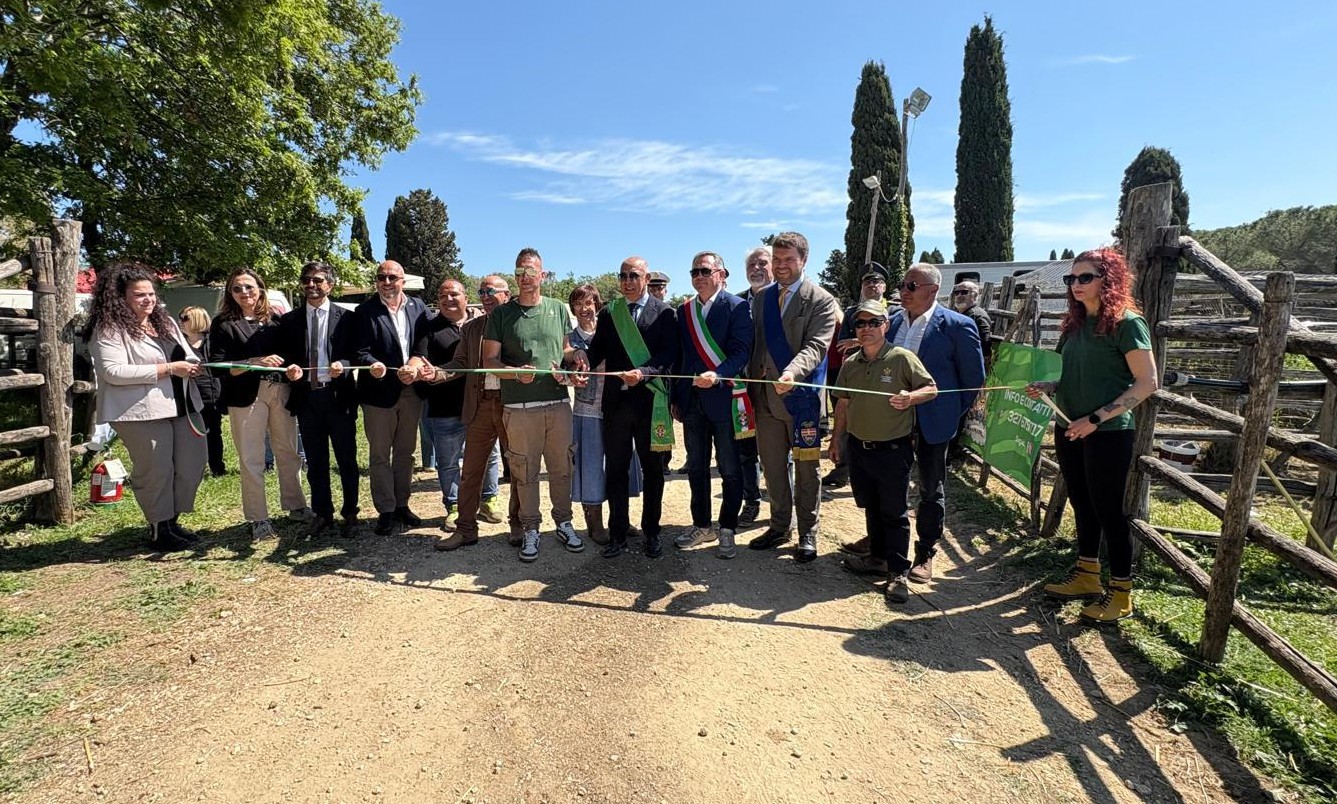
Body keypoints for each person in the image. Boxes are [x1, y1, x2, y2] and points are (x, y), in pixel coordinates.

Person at [1026, 248, 1157, 624]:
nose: (1076, 285)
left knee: (1109, 511)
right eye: (1072, 279)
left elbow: (1147, 382)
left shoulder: (1128, 323)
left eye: (1086, 277)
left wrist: (1097, 418)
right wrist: (1048, 386)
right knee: (1081, 502)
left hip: (1107, 432)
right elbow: (1073, 374)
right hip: (1070, 425)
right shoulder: (1076, 324)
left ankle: (1121, 593)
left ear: (1109, 279)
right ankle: (1086, 575)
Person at [841, 263, 986, 584]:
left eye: (910, 286)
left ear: (932, 291)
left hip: (932, 422)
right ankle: (880, 546)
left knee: (930, 488)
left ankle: (926, 551)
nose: (903, 291)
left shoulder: (957, 326)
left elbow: (973, 379)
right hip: (890, 422)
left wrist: (949, 413)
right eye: (903, 285)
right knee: (884, 484)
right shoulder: (890, 322)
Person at [482, 248, 589, 562]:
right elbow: (490, 360)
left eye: (530, 272)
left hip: (557, 404)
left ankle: (564, 523)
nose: (524, 278)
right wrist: (515, 373)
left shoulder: (557, 308)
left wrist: (577, 356)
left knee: (561, 468)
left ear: (542, 275)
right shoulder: (502, 314)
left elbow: (567, 349)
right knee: (524, 472)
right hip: (519, 408)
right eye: (519, 272)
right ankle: (530, 528)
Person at [89, 264, 206, 550]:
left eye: (151, 293)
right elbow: (113, 372)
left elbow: (187, 354)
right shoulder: (109, 328)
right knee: (156, 470)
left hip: (184, 405)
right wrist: (167, 369)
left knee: (191, 465)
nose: (148, 300)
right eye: (139, 295)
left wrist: (194, 365)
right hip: (140, 412)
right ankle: (160, 527)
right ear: (120, 297)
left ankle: (173, 520)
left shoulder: (164, 322)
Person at [832, 301, 938, 604]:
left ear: (885, 325)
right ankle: (877, 558)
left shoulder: (902, 358)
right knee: (871, 507)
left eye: (873, 322)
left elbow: (931, 388)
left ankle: (897, 572)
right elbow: (843, 403)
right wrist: (836, 440)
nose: (866, 328)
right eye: (860, 323)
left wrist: (911, 397)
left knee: (894, 512)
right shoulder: (851, 363)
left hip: (893, 449)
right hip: (859, 448)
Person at [745, 232, 838, 563]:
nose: (781, 266)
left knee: (807, 470)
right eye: (777, 260)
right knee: (772, 467)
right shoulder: (762, 298)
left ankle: (807, 532)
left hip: (802, 401)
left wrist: (792, 372)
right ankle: (779, 525)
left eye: (788, 260)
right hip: (765, 400)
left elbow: (817, 346)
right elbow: (754, 345)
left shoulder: (822, 300)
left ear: (804, 260)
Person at [582, 256, 680, 559]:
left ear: (646, 277)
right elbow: (596, 351)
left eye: (633, 275)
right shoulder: (611, 313)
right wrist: (576, 360)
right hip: (616, 405)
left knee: (652, 471)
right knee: (616, 471)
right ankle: (618, 534)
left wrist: (645, 372)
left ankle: (652, 532)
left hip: (651, 403)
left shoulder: (665, 313)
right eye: (622, 275)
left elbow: (669, 354)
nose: (627, 281)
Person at [209, 268, 309, 540]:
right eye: (237, 288)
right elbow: (218, 366)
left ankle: (296, 505)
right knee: (251, 458)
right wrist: (253, 363)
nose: (244, 293)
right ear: (230, 293)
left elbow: (290, 357)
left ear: (260, 289)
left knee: (288, 452)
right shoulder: (223, 323)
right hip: (245, 397)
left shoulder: (276, 320)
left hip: (280, 391)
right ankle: (258, 519)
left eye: (249, 287)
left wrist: (292, 369)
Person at [671, 251, 753, 559]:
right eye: (694, 272)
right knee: (696, 466)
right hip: (692, 401)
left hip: (724, 399)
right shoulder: (684, 311)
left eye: (705, 270)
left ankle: (727, 528)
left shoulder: (737, 307)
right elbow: (680, 357)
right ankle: (702, 524)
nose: (698, 277)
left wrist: (717, 375)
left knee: (730, 468)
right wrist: (676, 398)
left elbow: (742, 351)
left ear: (720, 273)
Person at [435, 275, 518, 551]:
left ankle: (518, 525)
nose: (485, 295)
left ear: (506, 294)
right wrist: (436, 374)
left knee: (517, 468)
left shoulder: (518, 324)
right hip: (480, 405)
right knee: (470, 471)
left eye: (491, 290)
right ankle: (466, 529)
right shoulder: (471, 328)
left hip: (511, 405)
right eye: (481, 291)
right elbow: (459, 362)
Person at [277, 261, 360, 537]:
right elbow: (285, 357)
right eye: (307, 280)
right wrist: (289, 368)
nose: (311, 285)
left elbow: (357, 354)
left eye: (318, 280)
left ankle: (350, 513)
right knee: (315, 460)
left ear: (330, 285)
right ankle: (323, 513)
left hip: (339, 397)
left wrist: (343, 363)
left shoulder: (347, 318)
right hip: (307, 398)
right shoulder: (289, 320)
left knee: (346, 459)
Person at [354, 260, 432, 536]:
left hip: (411, 392)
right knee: (379, 455)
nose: (387, 282)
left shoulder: (418, 306)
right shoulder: (365, 311)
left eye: (392, 277)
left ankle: (402, 505)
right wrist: (374, 365)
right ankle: (385, 510)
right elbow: (360, 351)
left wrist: (413, 363)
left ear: (403, 280)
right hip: (378, 393)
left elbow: (423, 342)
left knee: (405, 453)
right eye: (381, 277)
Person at [568, 284, 646, 547]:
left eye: (589, 302)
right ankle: (595, 523)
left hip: (617, 405)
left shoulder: (613, 325)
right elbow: (566, 360)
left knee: (619, 464)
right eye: (578, 303)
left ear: (597, 304)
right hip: (588, 410)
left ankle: (620, 519)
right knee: (591, 466)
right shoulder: (571, 338)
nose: (584, 308)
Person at [406, 279, 469, 533]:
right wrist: (415, 369)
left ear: (465, 297)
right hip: (443, 406)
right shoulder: (429, 327)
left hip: (478, 404)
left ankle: (488, 499)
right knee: (448, 461)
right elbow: (418, 357)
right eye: (443, 295)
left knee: (489, 457)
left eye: (453, 294)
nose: (448, 299)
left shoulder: (478, 324)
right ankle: (453, 506)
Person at [823, 262, 891, 490]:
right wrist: (864, 341)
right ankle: (843, 469)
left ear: (885, 286)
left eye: (877, 281)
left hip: (885, 378)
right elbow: (843, 345)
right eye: (867, 281)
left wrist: (858, 340)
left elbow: (896, 344)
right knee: (844, 421)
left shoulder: (896, 311)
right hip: (853, 376)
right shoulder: (851, 313)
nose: (872, 285)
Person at [735, 245, 772, 528]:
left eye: (763, 263)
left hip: (776, 390)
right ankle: (752, 502)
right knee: (746, 450)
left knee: (779, 453)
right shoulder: (735, 303)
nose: (756, 269)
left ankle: (784, 508)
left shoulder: (785, 300)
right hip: (741, 391)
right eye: (751, 264)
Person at [177, 306, 225, 478]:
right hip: (187, 394)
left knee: (213, 433)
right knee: (190, 434)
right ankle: (193, 468)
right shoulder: (179, 344)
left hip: (210, 394)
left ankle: (217, 467)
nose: (180, 321)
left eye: (184, 318)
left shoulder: (212, 342)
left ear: (196, 319)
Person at [950, 280, 993, 366]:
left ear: (975, 295)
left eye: (964, 292)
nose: (959, 295)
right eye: (956, 293)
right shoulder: (964, 314)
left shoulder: (976, 315)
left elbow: (985, 345)